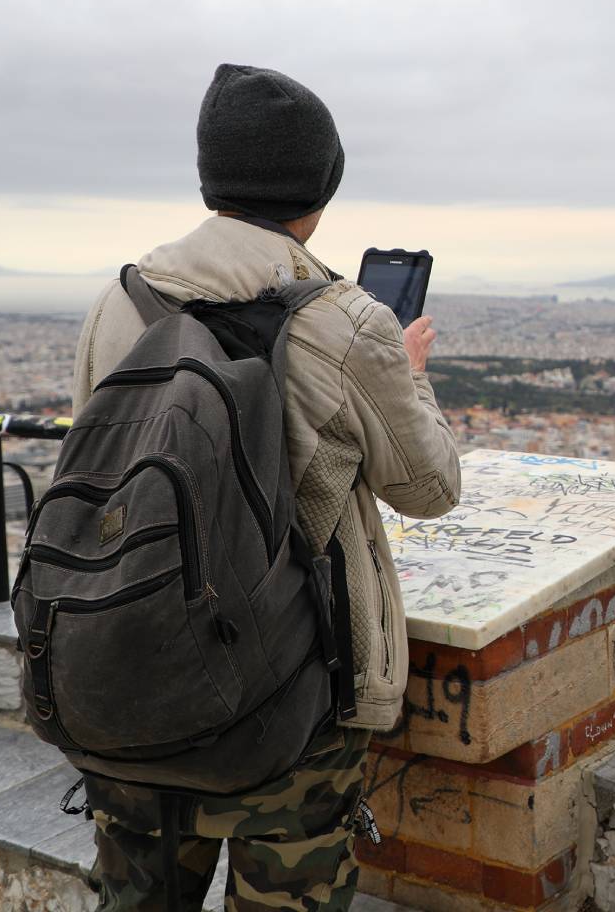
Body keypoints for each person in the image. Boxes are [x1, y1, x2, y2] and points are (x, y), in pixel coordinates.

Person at [69, 63, 462, 910]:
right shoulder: (345, 320)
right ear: (321, 187)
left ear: (211, 179)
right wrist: (411, 372)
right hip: (286, 691)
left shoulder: (120, 299)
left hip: (131, 671)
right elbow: (430, 486)